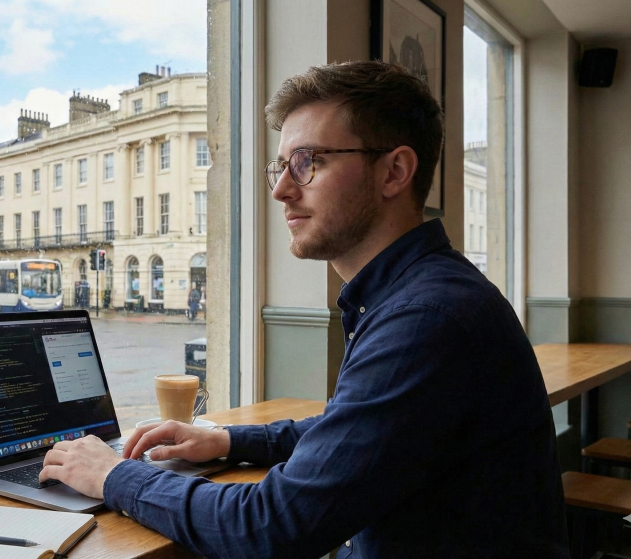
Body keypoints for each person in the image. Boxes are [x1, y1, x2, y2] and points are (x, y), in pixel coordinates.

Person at [39, 61, 569, 558]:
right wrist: (227, 438)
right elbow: (356, 430)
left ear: (394, 172)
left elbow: (270, 528)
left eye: (307, 162)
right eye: (281, 165)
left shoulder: (427, 317)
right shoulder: (422, 293)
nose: (281, 190)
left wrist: (114, 475)